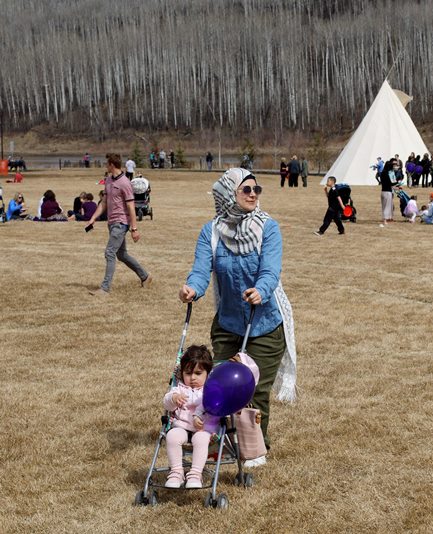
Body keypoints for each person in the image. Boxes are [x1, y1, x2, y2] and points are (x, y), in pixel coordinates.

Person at [179, 168, 296, 466]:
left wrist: (262, 289)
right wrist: (192, 288)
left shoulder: (268, 228)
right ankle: (219, 441)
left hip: (266, 324)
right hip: (229, 324)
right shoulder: (212, 231)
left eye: (257, 188)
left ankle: (255, 449)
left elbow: (271, 269)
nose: (253, 193)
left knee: (253, 389)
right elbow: (201, 269)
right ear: (228, 195)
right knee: (218, 386)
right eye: (246, 189)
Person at [85, 153, 152, 295]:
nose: (105, 166)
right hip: (111, 223)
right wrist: (93, 218)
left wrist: (134, 229)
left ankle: (104, 288)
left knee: (109, 252)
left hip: (121, 223)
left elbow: (131, 207)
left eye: (106, 163)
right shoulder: (108, 181)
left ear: (112, 165)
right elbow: (104, 203)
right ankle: (145, 277)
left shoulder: (125, 183)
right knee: (121, 255)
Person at [162, 345, 219, 489]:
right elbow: (167, 404)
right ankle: (176, 472)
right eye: (188, 373)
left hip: (203, 429)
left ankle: (195, 474)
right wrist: (174, 399)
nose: (192, 378)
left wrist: (202, 417)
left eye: (198, 373)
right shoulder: (179, 389)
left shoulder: (210, 390)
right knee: (172, 436)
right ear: (182, 373)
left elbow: (214, 408)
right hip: (181, 426)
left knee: (200, 439)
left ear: (208, 373)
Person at [378, 157, 397, 226]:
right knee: (387, 206)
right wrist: (397, 182)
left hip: (383, 191)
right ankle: (385, 220)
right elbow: (391, 183)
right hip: (387, 192)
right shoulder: (387, 174)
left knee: (384, 206)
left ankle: (385, 218)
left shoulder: (382, 173)